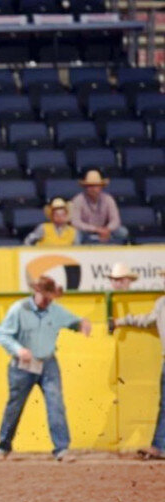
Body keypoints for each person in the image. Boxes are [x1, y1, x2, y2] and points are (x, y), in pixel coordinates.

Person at [0, 276, 92, 462]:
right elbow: (2, 334)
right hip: (22, 365)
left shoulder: (55, 310)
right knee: (15, 406)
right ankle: (3, 445)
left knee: (55, 404)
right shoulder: (19, 309)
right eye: (45, 296)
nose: (48, 300)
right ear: (36, 292)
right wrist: (18, 349)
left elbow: (73, 322)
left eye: (50, 296)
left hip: (47, 363)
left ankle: (62, 449)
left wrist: (82, 323)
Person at [114, 273, 165, 460]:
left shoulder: (161, 303)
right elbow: (148, 320)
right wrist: (122, 321)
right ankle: (160, 446)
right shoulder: (161, 303)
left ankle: (160, 446)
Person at [70, 170, 129, 245]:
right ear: (85, 187)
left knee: (123, 232)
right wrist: (96, 229)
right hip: (86, 231)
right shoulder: (78, 199)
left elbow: (115, 220)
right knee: (76, 234)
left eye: (96, 185)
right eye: (90, 186)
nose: (93, 188)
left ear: (101, 187)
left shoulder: (108, 199)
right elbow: (75, 222)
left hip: (105, 229)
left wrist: (107, 229)